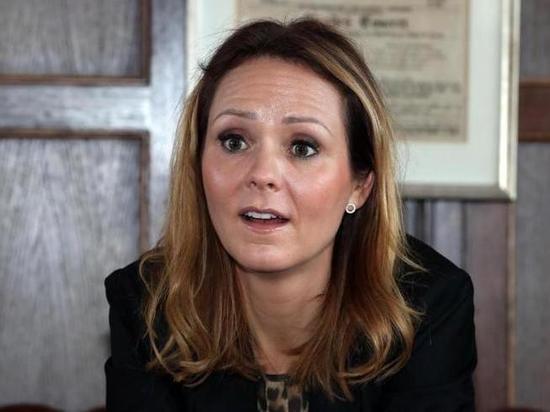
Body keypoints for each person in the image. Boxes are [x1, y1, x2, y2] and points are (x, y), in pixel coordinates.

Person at [104, 18, 477, 411]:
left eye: (302, 147)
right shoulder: (145, 303)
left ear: (360, 184)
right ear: (198, 167)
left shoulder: (427, 307)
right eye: (234, 141)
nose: (263, 174)